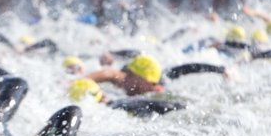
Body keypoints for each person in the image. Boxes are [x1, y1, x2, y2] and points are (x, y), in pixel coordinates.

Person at [86, 54, 228, 97]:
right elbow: (109, 73)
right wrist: (85, 80)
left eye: (130, 76)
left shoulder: (160, 87)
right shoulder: (123, 80)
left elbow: (187, 68)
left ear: (145, 82)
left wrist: (219, 69)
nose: (124, 78)